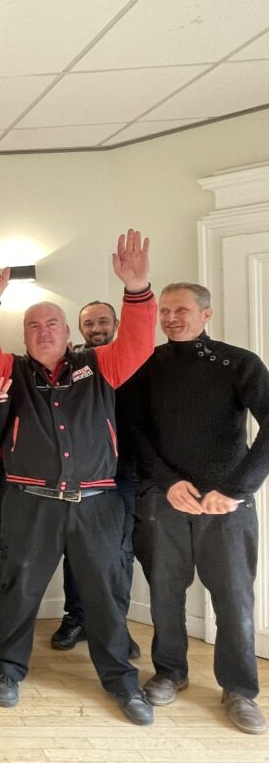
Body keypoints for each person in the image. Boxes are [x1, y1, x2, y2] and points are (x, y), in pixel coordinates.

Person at [0, 229, 156, 725]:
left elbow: (138, 342)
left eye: (52, 323)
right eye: (34, 326)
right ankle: (7, 670)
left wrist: (137, 289)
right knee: (18, 590)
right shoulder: (10, 372)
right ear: (24, 336)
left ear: (68, 332)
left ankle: (122, 681)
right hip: (29, 502)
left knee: (106, 595)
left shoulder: (101, 365)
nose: (44, 331)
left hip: (96, 503)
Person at [127, 282, 269, 735]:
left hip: (225, 504)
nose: (171, 318)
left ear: (206, 314)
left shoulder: (239, 363)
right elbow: (135, 432)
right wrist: (168, 483)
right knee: (165, 593)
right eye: (165, 311)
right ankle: (170, 672)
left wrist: (237, 488)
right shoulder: (147, 365)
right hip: (164, 499)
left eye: (181, 310)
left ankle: (240, 690)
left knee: (234, 598)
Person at [51, 301, 141, 660]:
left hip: (124, 473)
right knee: (76, 549)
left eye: (103, 321)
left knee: (120, 552)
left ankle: (116, 624)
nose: (96, 328)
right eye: (89, 323)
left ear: (116, 323)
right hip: (83, 476)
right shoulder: (73, 366)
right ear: (80, 328)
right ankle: (76, 617)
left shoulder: (133, 362)